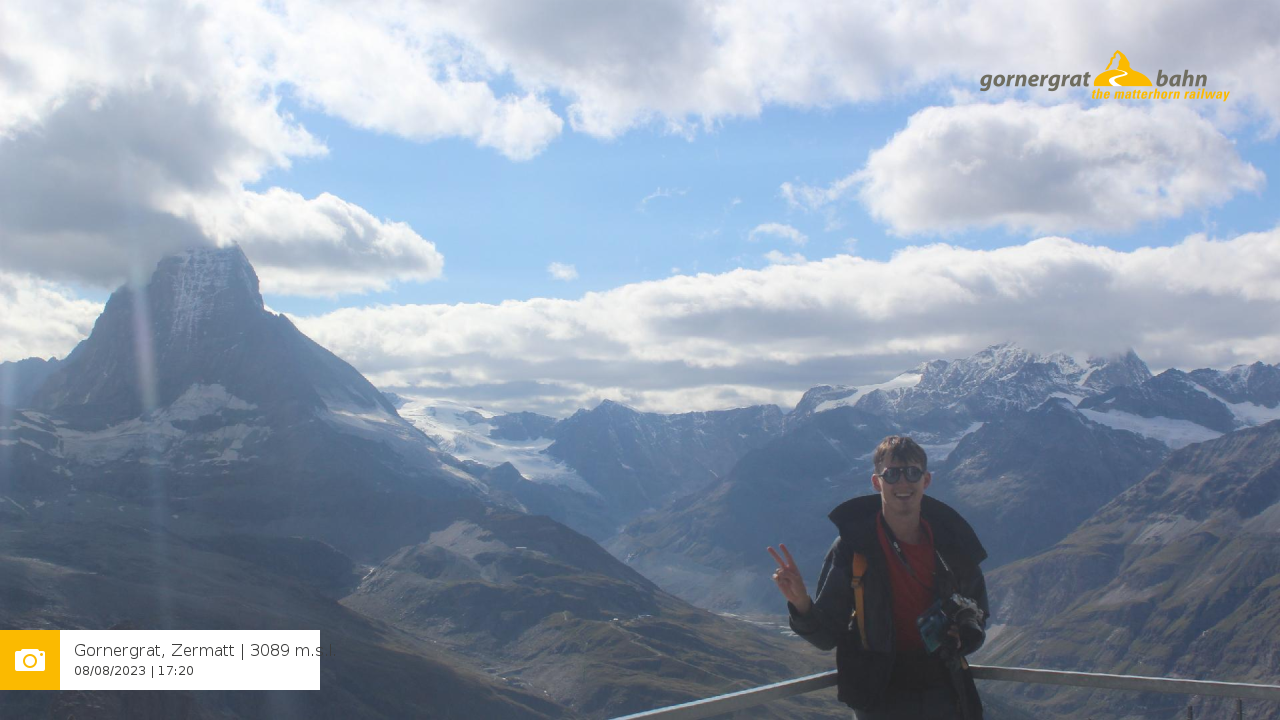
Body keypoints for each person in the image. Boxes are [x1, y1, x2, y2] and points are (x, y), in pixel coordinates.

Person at [767, 435, 988, 719]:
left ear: (926, 480)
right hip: (881, 694)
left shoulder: (952, 545)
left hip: (943, 688)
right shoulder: (853, 547)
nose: (903, 483)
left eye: (912, 473)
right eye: (892, 474)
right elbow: (827, 636)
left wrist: (966, 637)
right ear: (876, 482)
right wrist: (801, 604)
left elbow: (977, 614)